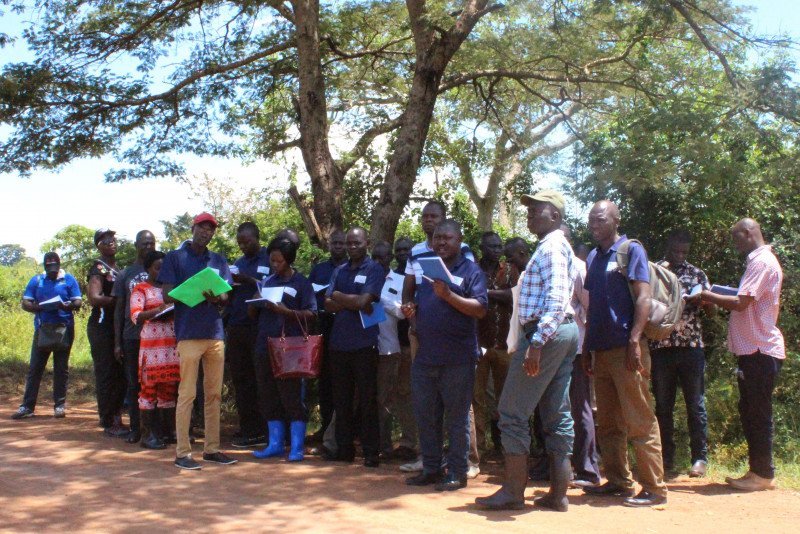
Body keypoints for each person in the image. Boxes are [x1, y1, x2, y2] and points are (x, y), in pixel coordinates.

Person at [476, 191, 579, 511]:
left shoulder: (551, 248)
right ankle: (558, 493)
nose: (531, 213)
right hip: (561, 333)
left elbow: (557, 299)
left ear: (557, 216)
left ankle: (513, 491)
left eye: (538, 209)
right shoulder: (555, 247)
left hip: (546, 334)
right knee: (555, 411)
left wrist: (536, 343)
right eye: (530, 209)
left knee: (511, 411)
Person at [581, 200, 667, 507]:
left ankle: (655, 488)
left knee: (639, 419)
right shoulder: (593, 256)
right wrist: (587, 348)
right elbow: (593, 306)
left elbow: (643, 298)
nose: (594, 224)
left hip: (627, 349)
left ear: (616, 220)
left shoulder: (631, 250)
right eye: (591, 219)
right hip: (601, 350)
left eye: (600, 219)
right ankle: (618, 481)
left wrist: (634, 341)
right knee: (609, 422)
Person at [699, 218, 785, 491]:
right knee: (750, 411)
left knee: (757, 413)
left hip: (760, 349)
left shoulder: (761, 262)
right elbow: (744, 297)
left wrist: (705, 295)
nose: (735, 244)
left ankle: (762, 474)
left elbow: (740, 302)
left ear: (748, 234)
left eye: (737, 237)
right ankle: (758, 471)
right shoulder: (759, 261)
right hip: (753, 349)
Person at [403, 219, 487, 492]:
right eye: (438, 238)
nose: (441, 242)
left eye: (447, 238)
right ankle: (431, 468)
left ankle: (458, 472)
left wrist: (449, 296)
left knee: (457, 417)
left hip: (457, 358)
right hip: (426, 355)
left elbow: (479, 309)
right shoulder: (428, 269)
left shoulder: (471, 270)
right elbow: (425, 304)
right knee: (426, 415)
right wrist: (413, 315)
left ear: (459, 240)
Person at [159, 212, 237, 470]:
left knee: (213, 394)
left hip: (215, 333)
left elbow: (226, 295)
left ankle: (212, 449)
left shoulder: (218, 260)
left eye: (211, 229)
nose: (206, 233)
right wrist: (191, 291)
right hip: (189, 334)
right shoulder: (175, 257)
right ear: (193, 228)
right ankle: (183, 453)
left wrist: (216, 297)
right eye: (202, 228)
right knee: (187, 394)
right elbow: (167, 294)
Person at [651, 230, 713, 478]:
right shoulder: (654, 272)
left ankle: (699, 458)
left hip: (691, 347)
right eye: (675, 250)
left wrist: (704, 301)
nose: (679, 255)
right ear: (668, 247)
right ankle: (666, 459)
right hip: (661, 348)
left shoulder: (697, 274)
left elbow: (712, 311)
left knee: (695, 404)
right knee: (663, 406)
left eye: (684, 252)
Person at [251, 238, 317, 462]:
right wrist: (256, 301)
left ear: (289, 260)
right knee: (268, 394)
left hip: (290, 348)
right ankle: (275, 444)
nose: (274, 264)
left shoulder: (301, 283)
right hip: (265, 345)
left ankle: (297, 446)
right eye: (272, 260)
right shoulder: (267, 282)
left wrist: (286, 312)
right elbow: (254, 314)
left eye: (278, 260)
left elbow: (311, 313)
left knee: (291, 396)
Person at [323, 227, 384, 467]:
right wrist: (348, 300)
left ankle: (371, 452)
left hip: (364, 343)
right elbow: (327, 305)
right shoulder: (339, 270)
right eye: (349, 243)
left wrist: (339, 296)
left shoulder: (374, 269)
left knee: (368, 400)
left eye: (357, 243)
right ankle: (344, 449)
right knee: (342, 400)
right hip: (339, 344)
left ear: (367, 242)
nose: (352, 247)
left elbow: (363, 301)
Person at [12, 252, 82, 420]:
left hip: (64, 329)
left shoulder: (69, 280)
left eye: (54, 263)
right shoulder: (37, 280)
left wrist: (66, 306)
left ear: (59, 264)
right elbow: (26, 303)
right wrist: (40, 307)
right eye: (48, 264)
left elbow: (78, 302)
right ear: (44, 265)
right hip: (43, 329)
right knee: (35, 368)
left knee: (61, 368)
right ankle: (27, 407)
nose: (51, 266)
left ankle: (59, 406)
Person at [561, 223, 602, 488]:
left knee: (580, 407)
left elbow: (590, 307)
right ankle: (559, 466)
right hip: (549, 348)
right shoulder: (544, 262)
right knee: (555, 408)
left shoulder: (578, 267)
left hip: (575, 349)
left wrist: (588, 348)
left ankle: (588, 469)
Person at [371, 241, 418, 460]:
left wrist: (376, 297)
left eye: (383, 258)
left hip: (398, 348)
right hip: (370, 348)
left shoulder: (402, 280)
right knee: (378, 398)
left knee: (402, 396)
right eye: (376, 258)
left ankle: (407, 443)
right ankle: (380, 444)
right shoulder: (366, 277)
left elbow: (403, 312)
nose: (380, 262)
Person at [130, 251, 180, 450]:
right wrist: (157, 311)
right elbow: (136, 315)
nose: (161, 272)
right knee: (149, 390)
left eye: (164, 268)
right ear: (148, 269)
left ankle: (168, 432)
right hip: (151, 348)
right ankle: (148, 435)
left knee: (169, 388)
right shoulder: (140, 289)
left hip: (171, 346)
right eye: (157, 268)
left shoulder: (172, 288)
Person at [226, 222, 270, 448]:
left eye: (247, 241)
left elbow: (271, 288)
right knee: (241, 380)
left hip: (258, 327)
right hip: (236, 326)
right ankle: (247, 428)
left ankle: (262, 430)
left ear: (257, 237)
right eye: (240, 242)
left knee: (260, 379)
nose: (243, 246)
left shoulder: (269, 259)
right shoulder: (238, 263)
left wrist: (249, 280)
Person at [112, 230, 156, 444]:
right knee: (134, 384)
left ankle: (156, 429)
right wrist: (117, 342)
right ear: (136, 245)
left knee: (156, 382)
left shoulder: (162, 269)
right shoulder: (125, 274)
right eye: (144, 243)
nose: (148, 247)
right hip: (132, 336)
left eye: (151, 243)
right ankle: (136, 428)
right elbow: (119, 310)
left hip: (157, 338)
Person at [474, 231, 515, 453]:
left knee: (506, 400)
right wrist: (498, 293)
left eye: (499, 246)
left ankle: (508, 448)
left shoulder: (509, 270)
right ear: (482, 247)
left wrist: (484, 293)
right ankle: (477, 449)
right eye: (492, 246)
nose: (497, 250)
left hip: (504, 344)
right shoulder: (472, 269)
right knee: (476, 399)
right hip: (478, 343)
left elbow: (514, 296)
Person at [308, 229, 347, 445]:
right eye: (335, 243)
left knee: (342, 381)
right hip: (323, 324)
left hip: (344, 325)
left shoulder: (351, 269)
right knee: (324, 381)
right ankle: (325, 428)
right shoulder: (320, 269)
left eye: (342, 243)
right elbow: (309, 296)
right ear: (329, 244)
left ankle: (343, 431)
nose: (339, 246)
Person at [87, 228, 127, 437]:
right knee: (106, 372)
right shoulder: (98, 269)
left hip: (117, 326)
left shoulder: (118, 270)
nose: (111, 241)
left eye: (113, 238)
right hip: (102, 327)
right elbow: (94, 297)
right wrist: (119, 301)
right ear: (98, 245)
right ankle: (108, 419)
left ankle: (116, 415)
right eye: (105, 239)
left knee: (119, 372)